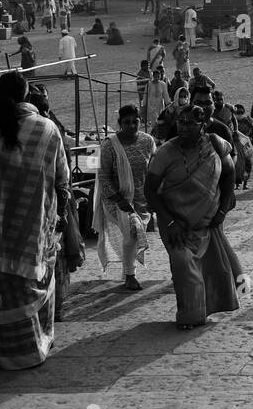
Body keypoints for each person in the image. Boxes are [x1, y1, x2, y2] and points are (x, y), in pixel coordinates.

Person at [0, 70, 69, 368]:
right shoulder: (46, 130)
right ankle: (36, 348)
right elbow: (62, 178)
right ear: (26, 94)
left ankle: (8, 356)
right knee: (32, 286)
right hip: (32, 232)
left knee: (3, 294)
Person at [145, 105, 244, 329]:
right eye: (181, 121)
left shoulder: (215, 144)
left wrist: (222, 210)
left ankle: (204, 311)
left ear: (203, 125)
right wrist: (170, 222)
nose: (184, 126)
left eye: (191, 123)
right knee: (184, 266)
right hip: (174, 222)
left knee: (209, 268)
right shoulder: (165, 152)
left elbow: (229, 174)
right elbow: (149, 190)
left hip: (207, 220)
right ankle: (190, 316)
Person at [94, 105, 157, 291]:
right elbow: (103, 176)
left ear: (140, 121)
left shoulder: (147, 141)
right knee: (132, 230)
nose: (131, 125)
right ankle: (130, 275)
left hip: (141, 199)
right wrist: (119, 199)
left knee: (135, 235)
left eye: (135, 121)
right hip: (116, 199)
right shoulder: (109, 145)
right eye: (126, 122)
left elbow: (155, 167)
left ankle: (128, 270)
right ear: (119, 124)